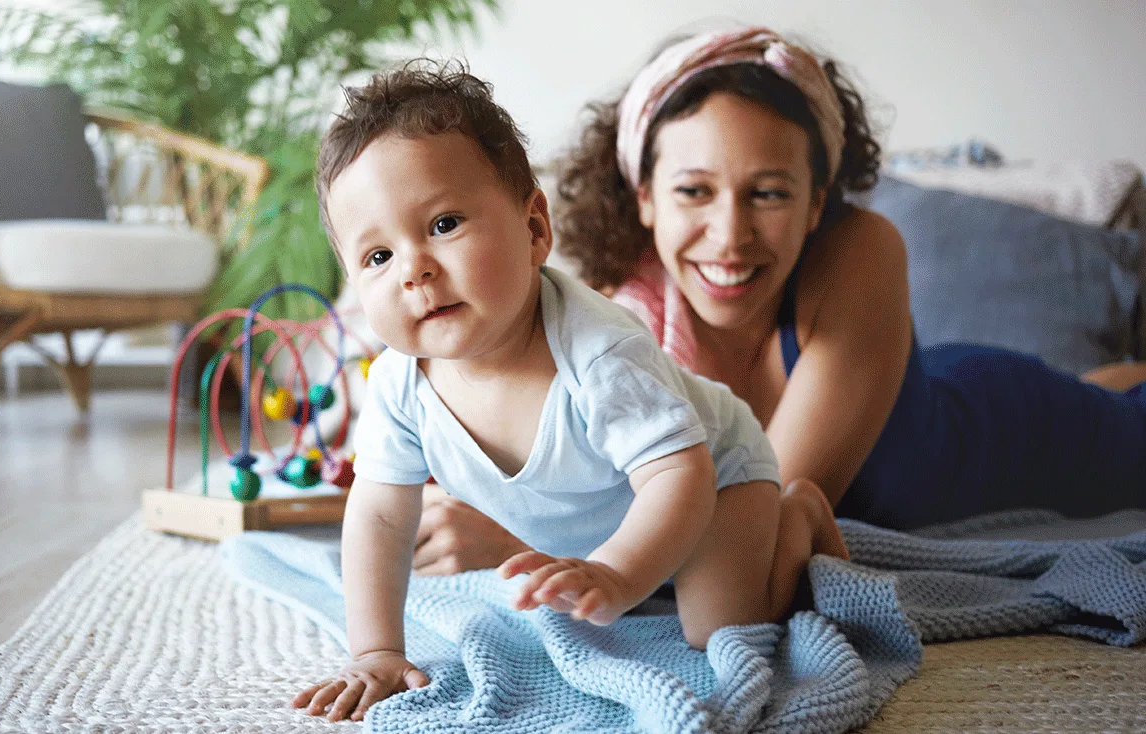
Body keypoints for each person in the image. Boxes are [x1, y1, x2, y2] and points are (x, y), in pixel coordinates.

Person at [412, 24, 1146, 574]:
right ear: (644, 198)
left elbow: (754, 525)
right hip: (919, 379)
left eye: (767, 193)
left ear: (815, 199)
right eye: (693, 191)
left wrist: (525, 545)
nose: (729, 237)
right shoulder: (612, 327)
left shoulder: (864, 251)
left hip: (1000, 425)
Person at [291, 62, 849, 723]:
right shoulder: (397, 382)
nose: (414, 269)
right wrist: (377, 649)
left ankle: (794, 514)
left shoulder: (598, 351)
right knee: (638, 588)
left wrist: (617, 574)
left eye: (444, 224)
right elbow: (381, 515)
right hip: (610, 513)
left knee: (718, 626)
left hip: (715, 476)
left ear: (534, 230)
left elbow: (680, 476)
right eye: (377, 257)